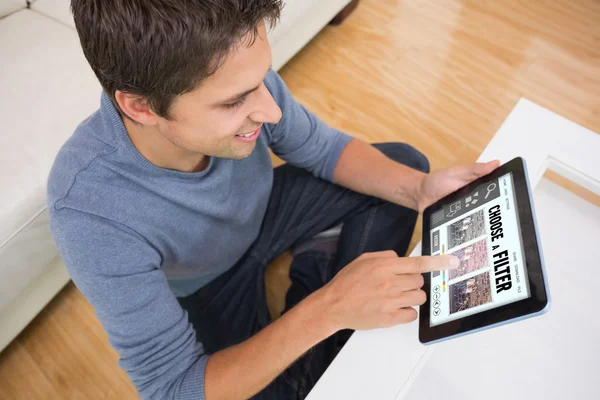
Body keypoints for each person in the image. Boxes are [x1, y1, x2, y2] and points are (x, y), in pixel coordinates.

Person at [47, 1, 498, 399]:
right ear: (141, 107)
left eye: (262, 79)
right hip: (208, 284)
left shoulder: (238, 71)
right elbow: (174, 388)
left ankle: (321, 296)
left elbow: (321, 148)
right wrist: (329, 309)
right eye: (234, 102)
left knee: (404, 164)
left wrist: (419, 190)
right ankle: (326, 293)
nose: (271, 110)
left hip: (266, 211)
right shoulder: (88, 212)